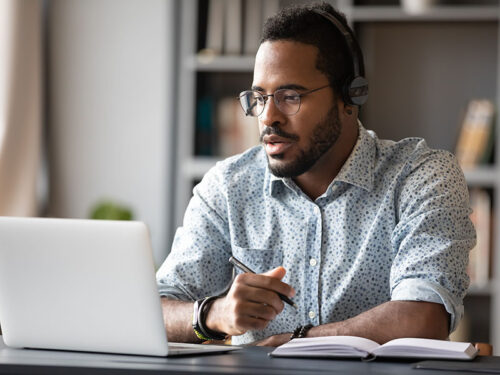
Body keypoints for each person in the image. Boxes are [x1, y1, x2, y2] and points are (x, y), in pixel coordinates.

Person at [156, 2, 475, 347]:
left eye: (290, 96)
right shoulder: (228, 187)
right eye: (259, 97)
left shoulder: (421, 176)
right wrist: (213, 314)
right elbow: (155, 310)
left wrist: (299, 340)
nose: (267, 117)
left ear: (350, 96)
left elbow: (423, 319)